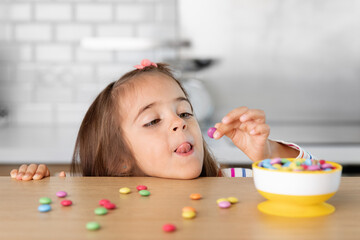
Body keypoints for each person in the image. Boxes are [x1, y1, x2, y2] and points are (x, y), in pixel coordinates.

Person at [10, 59, 314, 181]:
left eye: (184, 113)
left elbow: (314, 183)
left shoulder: (233, 182)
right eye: (153, 121)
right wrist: (36, 185)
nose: (179, 123)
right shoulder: (99, 204)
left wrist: (270, 154)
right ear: (119, 160)